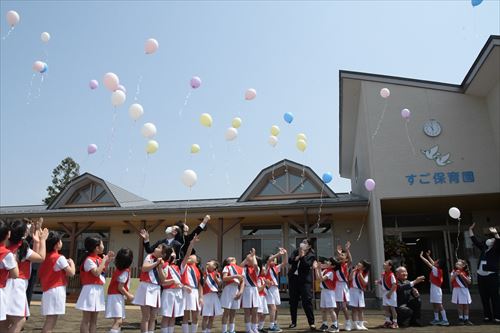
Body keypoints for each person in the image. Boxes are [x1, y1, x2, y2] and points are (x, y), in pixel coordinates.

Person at [6, 219, 48, 333]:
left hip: (6, 283)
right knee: (20, 320)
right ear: (24, 234)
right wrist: (43, 240)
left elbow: (32, 257)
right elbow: (40, 257)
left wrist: (36, 241)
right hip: (17, 284)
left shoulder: (8, 246)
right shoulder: (22, 248)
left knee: (5, 321)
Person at [39, 231, 76, 333]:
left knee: (49, 319)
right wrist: (72, 263)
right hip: (56, 290)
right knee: (51, 321)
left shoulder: (45, 257)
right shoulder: (59, 258)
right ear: (57, 244)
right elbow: (71, 273)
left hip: (47, 290)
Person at [76, 236, 115, 333]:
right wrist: (104, 260)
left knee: (94, 320)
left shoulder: (98, 258)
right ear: (96, 248)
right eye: (102, 244)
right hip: (90, 290)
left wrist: (107, 261)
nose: (103, 246)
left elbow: (101, 271)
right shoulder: (89, 259)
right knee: (86, 320)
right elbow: (96, 273)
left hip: (98, 289)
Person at [133, 243, 169, 333]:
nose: (155, 248)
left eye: (158, 248)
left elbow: (163, 279)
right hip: (146, 286)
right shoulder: (149, 257)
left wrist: (160, 267)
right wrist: (156, 263)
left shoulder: (165, 264)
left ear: (163, 254)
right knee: (146, 316)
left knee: (153, 316)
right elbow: (144, 268)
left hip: (156, 288)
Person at [469, 223, 500, 323]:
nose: (489, 239)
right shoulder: (483, 247)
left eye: (491, 238)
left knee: (494, 297)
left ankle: (497, 316)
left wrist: (496, 234)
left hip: (492, 275)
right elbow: (474, 241)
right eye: (488, 238)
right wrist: (470, 230)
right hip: (481, 275)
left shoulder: (496, 249)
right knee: (484, 297)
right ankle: (487, 316)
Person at [287, 239, 316, 330]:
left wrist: (302, 256)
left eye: (305, 242)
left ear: (309, 246)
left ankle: (311, 323)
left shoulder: (311, 255)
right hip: (294, 279)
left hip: (304, 281)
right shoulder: (296, 251)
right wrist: (297, 257)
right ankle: (293, 322)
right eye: (302, 242)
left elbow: (306, 265)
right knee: (293, 302)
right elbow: (290, 260)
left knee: (307, 302)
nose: (302, 243)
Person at [106, 248, 134, 333]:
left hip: (114, 295)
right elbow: (120, 287)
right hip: (116, 296)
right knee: (118, 320)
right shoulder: (125, 271)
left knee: (118, 320)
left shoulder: (119, 269)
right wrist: (129, 295)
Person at [419, 250, 449, 326]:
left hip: (436, 289)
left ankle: (445, 320)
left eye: (436, 261)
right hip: (434, 288)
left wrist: (421, 257)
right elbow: (432, 263)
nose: (434, 261)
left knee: (439, 304)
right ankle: (436, 319)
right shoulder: (437, 269)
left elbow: (428, 263)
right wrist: (428, 256)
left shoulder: (436, 270)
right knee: (434, 304)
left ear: (438, 265)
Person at [181, 235, 203, 333]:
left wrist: (201, 297)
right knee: (186, 315)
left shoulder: (198, 271)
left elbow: (200, 285)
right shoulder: (184, 266)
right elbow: (186, 255)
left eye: (192, 256)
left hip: (195, 292)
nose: (190, 256)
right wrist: (192, 243)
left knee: (195, 315)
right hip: (186, 291)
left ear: (197, 261)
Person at [0, 220, 19, 332]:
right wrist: (14, 260)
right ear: (8, 234)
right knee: (2, 326)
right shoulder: (7, 254)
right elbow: (15, 274)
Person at [159, 245, 184, 333]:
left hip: (177, 293)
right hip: (169, 292)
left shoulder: (176, 266)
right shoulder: (165, 265)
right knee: (166, 316)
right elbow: (163, 281)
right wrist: (173, 281)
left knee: (173, 316)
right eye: (172, 252)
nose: (174, 254)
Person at [313, 258, 339, 333]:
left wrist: (318, 267)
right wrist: (316, 268)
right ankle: (325, 324)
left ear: (333, 266)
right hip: (324, 291)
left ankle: (335, 326)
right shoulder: (326, 270)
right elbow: (318, 278)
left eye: (329, 262)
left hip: (330, 292)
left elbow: (321, 279)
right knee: (323, 309)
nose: (327, 262)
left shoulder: (331, 272)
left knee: (331, 309)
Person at [264, 248, 287, 332]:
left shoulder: (275, 268)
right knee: (272, 307)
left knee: (276, 308)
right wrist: (278, 253)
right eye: (272, 259)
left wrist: (285, 254)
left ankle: (274, 323)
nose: (273, 260)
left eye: (274, 259)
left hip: (275, 288)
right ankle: (271, 326)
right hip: (269, 288)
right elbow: (269, 260)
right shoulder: (266, 267)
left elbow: (285, 263)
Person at [220, 256, 244, 333]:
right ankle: (224, 330)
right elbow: (224, 278)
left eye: (233, 257)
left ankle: (232, 330)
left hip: (236, 289)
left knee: (233, 312)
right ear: (227, 261)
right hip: (228, 288)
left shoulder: (240, 269)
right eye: (229, 258)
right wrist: (235, 276)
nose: (232, 258)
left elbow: (243, 281)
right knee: (226, 311)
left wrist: (240, 291)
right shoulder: (227, 267)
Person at [334, 242, 352, 331]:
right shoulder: (336, 265)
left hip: (343, 286)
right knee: (336, 307)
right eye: (340, 255)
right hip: (336, 286)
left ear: (346, 258)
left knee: (344, 307)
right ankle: (335, 323)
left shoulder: (346, 265)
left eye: (343, 255)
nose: (341, 256)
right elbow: (336, 259)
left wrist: (347, 250)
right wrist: (338, 252)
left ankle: (348, 322)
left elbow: (351, 260)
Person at [201, 260, 223, 333]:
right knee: (205, 316)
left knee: (212, 316)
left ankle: (208, 331)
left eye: (211, 262)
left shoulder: (217, 274)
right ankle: (204, 331)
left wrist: (216, 277)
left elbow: (220, 284)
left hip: (214, 296)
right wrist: (205, 276)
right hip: (206, 295)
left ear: (214, 266)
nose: (208, 262)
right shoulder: (204, 273)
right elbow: (202, 284)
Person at [241, 248, 260, 333]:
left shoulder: (257, 269)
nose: (249, 261)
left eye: (250, 260)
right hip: (246, 290)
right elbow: (240, 266)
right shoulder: (244, 269)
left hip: (254, 290)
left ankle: (255, 328)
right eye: (248, 260)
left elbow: (255, 265)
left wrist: (253, 255)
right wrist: (247, 258)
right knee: (247, 311)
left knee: (255, 311)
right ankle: (248, 329)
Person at [375, 260, 398, 329]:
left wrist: (390, 293)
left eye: (386, 263)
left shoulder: (392, 275)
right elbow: (383, 282)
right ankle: (388, 322)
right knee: (386, 308)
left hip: (391, 292)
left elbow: (394, 285)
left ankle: (395, 322)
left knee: (392, 308)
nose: (384, 264)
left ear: (390, 266)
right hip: (385, 293)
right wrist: (378, 282)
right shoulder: (383, 274)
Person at [349, 259, 370, 331]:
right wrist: (352, 271)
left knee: (360, 309)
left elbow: (364, 283)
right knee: (354, 309)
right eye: (359, 262)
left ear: (364, 267)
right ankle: (355, 324)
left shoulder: (365, 273)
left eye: (361, 263)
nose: (358, 263)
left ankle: (361, 324)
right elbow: (349, 279)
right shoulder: (354, 271)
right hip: (353, 291)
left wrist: (360, 274)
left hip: (360, 291)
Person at [451, 259, 473, 325]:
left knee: (466, 305)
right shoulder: (453, 271)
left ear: (463, 266)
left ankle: (466, 319)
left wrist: (463, 276)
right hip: (457, 290)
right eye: (456, 264)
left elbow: (469, 282)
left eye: (459, 264)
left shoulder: (466, 272)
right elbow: (451, 280)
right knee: (459, 306)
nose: (457, 265)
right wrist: (455, 275)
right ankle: (460, 319)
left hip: (464, 290)